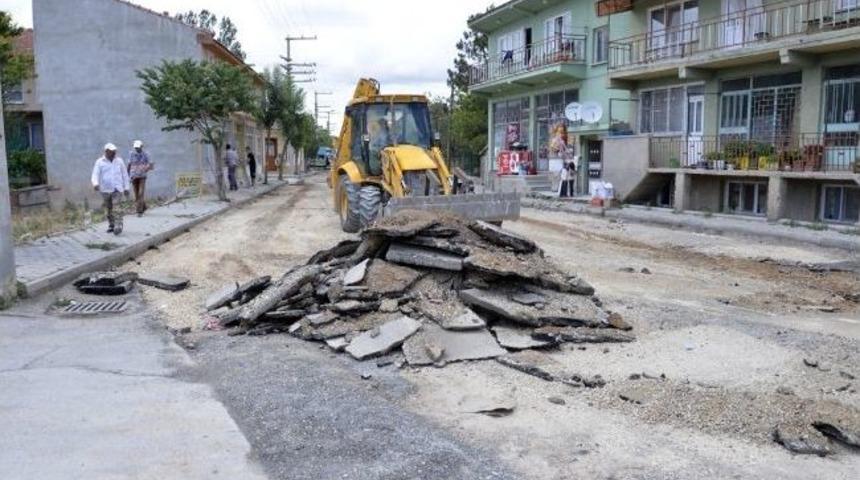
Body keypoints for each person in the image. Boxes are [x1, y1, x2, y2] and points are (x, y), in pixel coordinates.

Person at [91, 143, 130, 235]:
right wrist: (95, 184)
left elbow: (125, 174)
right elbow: (95, 174)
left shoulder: (119, 161)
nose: (114, 153)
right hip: (105, 189)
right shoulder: (100, 162)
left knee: (116, 207)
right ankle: (111, 225)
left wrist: (126, 187)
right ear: (106, 151)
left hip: (117, 188)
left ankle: (118, 225)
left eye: (114, 151)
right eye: (112, 152)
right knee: (109, 209)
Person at [127, 140, 153, 216]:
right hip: (134, 175)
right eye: (136, 147)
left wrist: (146, 168)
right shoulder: (131, 154)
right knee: (136, 193)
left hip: (142, 176)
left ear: (141, 146)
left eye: (138, 147)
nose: (137, 149)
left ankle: (139, 211)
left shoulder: (146, 154)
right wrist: (127, 175)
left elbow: (150, 164)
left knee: (141, 193)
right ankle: (143, 206)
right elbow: (129, 164)